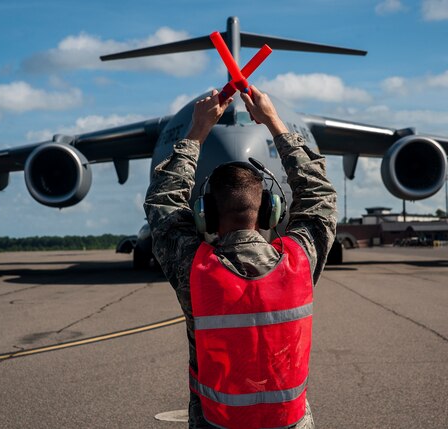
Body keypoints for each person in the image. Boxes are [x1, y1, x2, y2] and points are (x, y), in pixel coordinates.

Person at [144, 86, 337, 429]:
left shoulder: (197, 272)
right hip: (289, 424)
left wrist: (197, 131)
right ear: (270, 212)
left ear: (204, 215)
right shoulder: (299, 263)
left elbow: (165, 202)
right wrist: (275, 122)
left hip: (218, 423)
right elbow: (319, 194)